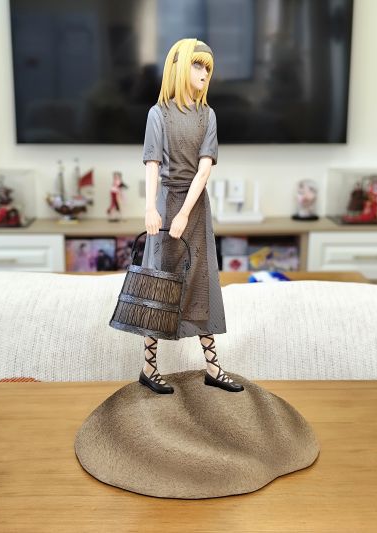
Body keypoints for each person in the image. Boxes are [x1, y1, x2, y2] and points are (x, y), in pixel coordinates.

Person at [139, 38, 244, 395]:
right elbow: (152, 164)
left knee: (201, 280)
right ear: (180, 66)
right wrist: (150, 208)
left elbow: (204, 169)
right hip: (166, 204)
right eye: (198, 65)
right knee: (159, 281)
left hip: (195, 208)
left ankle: (212, 366)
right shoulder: (158, 114)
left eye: (208, 68)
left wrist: (185, 213)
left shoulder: (207, 115)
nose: (204, 74)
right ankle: (148, 367)